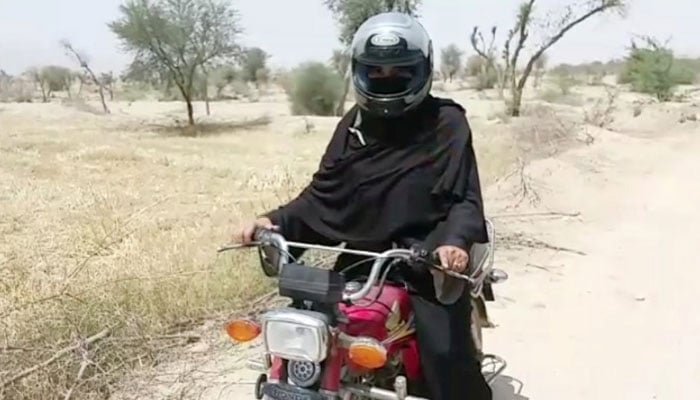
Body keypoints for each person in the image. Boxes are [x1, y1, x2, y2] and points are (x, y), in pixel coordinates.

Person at [232, 11, 492, 400]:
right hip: (361, 261)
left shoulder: (446, 123)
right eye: (377, 72)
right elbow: (322, 197)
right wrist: (273, 222)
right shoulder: (353, 127)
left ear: (421, 70)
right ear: (359, 72)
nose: (387, 79)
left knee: (445, 358)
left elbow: (464, 199)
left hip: (426, 261)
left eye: (399, 72)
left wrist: (453, 243)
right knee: (308, 336)